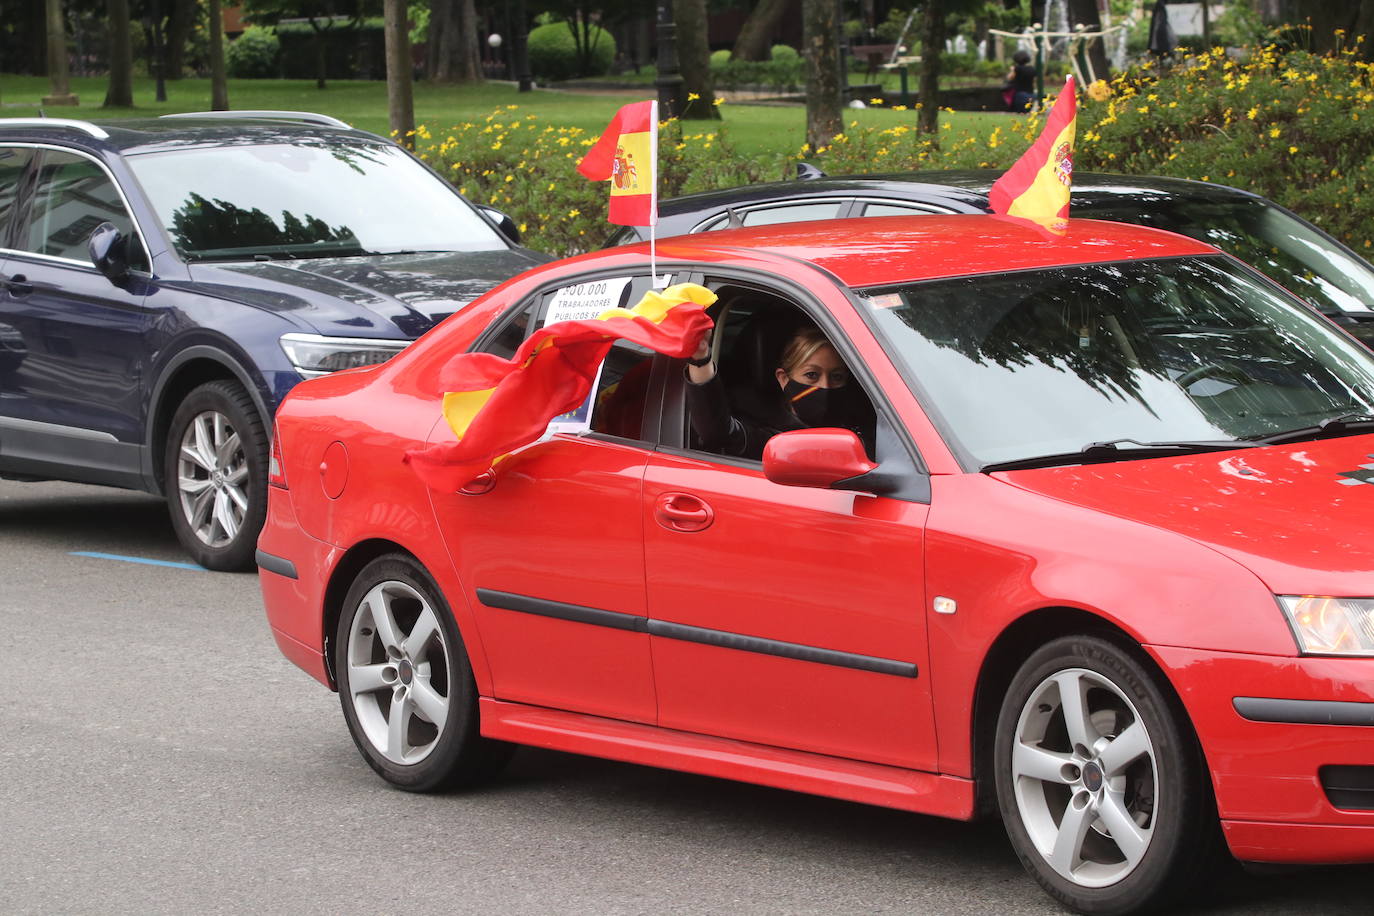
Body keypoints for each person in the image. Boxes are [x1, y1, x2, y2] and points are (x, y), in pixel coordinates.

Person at [684, 322, 874, 460]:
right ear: (783, 378)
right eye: (812, 375)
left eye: (837, 377)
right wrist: (700, 356)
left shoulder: (866, 420)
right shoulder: (770, 433)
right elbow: (717, 432)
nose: (825, 386)